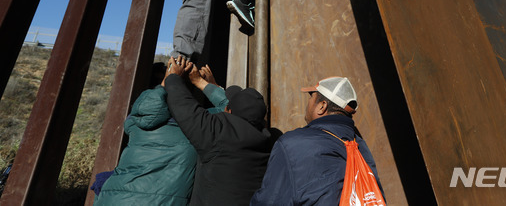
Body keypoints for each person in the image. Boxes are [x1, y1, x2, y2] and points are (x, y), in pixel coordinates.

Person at [93, 62, 228, 206]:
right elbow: (232, 110)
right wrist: (203, 83)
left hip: (112, 199)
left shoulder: (135, 120)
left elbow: (152, 101)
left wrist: (168, 80)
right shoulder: (196, 124)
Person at [250, 77, 384, 205]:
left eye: (311, 96)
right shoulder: (360, 146)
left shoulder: (292, 144)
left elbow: (271, 200)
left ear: (322, 106)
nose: (308, 102)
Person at [163, 56, 273, 205]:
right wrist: (206, 84)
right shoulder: (268, 142)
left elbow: (183, 106)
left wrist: (174, 76)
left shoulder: (219, 133)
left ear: (228, 110)